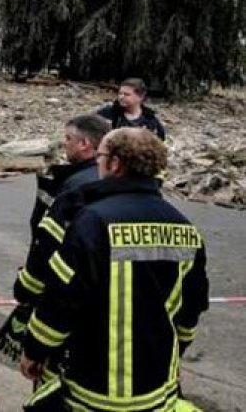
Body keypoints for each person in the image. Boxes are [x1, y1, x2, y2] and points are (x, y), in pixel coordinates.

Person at [20, 128, 209, 411]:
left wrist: (34, 350)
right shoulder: (184, 227)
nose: (97, 163)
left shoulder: (92, 220)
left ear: (116, 163)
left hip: (92, 385)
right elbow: (192, 307)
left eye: (101, 156)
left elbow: (62, 299)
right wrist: (174, 351)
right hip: (157, 387)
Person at [0, 115, 110, 364]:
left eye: (68, 139)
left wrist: (27, 291)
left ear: (85, 144)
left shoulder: (75, 186)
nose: (63, 143)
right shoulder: (105, 180)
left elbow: (47, 244)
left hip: (64, 294)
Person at [97, 77, 166, 140]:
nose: (121, 97)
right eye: (120, 93)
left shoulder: (150, 120)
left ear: (140, 97)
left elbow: (159, 141)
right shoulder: (108, 113)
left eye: (126, 94)